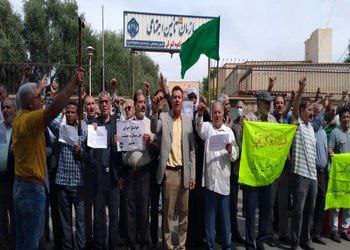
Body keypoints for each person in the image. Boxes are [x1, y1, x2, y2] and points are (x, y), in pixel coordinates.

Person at [12, 68, 84, 250]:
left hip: (20, 186)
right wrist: (72, 84)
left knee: (21, 239)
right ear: (30, 103)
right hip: (32, 189)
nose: (41, 99)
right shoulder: (29, 119)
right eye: (38, 96)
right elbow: (52, 110)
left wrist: (39, 88)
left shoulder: (19, 117)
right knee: (30, 243)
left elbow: (25, 98)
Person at [151, 85, 196, 250]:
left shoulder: (188, 121)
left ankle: (181, 245)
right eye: (174, 97)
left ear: (182, 101)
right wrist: (155, 110)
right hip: (169, 173)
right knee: (168, 215)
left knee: (184, 214)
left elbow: (192, 151)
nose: (177, 100)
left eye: (179, 97)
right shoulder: (163, 117)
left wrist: (192, 176)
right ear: (172, 100)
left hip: (184, 172)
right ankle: (169, 245)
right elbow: (154, 128)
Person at [196, 101, 239, 250]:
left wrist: (230, 150)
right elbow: (199, 129)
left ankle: (227, 246)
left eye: (220, 112)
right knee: (210, 220)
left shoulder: (229, 132)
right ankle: (210, 246)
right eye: (215, 112)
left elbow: (235, 156)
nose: (217, 115)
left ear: (223, 114)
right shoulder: (207, 128)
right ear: (212, 113)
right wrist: (200, 114)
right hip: (209, 182)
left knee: (225, 221)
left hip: (224, 183)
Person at [120, 90, 158, 249]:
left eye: (144, 102)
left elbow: (156, 150)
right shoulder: (126, 125)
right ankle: (131, 243)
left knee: (143, 210)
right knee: (129, 210)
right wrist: (118, 141)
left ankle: (144, 242)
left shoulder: (151, 124)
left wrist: (150, 143)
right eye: (139, 102)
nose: (142, 105)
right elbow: (120, 150)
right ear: (134, 105)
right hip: (129, 172)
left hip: (144, 173)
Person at [49, 101, 87, 250]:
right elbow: (49, 118)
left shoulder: (83, 132)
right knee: (65, 222)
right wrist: (54, 99)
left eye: (73, 112)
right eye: (68, 112)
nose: (70, 115)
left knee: (80, 222)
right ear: (65, 114)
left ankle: (81, 247)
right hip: (63, 182)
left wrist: (80, 153)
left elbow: (87, 158)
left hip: (78, 183)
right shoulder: (60, 130)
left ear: (77, 115)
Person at [243, 90, 277, 250]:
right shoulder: (249, 119)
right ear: (259, 103)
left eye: (270, 102)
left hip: (267, 174)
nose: (270, 105)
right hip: (252, 174)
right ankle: (250, 243)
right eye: (267, 102)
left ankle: (261, 240)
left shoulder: (273, 120)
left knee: (265, 210)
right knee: (250, 211)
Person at [90, 91, 122, 250]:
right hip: (99, 176)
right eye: (100, 102)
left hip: (114, 176)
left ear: (110, 104)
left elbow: (123, 151)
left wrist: (119, 143)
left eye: (106, 102)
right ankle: (99, 245)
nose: (103, 104)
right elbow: (90, 151)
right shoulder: (94, 124)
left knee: (114, 217)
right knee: (99, 216)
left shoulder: (117, 123)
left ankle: (113, 246)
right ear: (98, 104)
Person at [290, 77, 317, 250]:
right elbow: (294, 108)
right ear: (301, 111)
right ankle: (295, 242)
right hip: (300, 173)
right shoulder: (297, 122)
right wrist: (300, 89)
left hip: (312, 175)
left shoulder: (311, 127)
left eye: (312, 110)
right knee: (298, 210)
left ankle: (305, 240)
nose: (311, 112)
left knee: (310, 209)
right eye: (308, 109)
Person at [187, 95, 211, 248]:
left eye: (197, 99)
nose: (195, 102)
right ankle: (190, 237)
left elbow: (205, 127)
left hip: (203, 168)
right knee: (191, 206)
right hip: (191, 167)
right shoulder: (188, 115)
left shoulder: (206, 116)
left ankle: (200, 237)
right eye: (191, 99)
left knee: (202, 206)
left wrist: (203, 111)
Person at [328, 107, 350, 243]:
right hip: (338, 174)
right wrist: (333, 155)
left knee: (348, 203)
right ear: (340, 119)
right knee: (336, 203)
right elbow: (330, 149)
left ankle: (344, 230)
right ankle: (334, 230)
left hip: (349, 175)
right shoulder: (335, 133)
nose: (346, 119)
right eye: (344, 117)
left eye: (348, 117)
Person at [0, 98, 16, 250]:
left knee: (14, 216)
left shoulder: (19, 128)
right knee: (1, 217)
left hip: (15, 180)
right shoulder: (0, 129)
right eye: (3, 107)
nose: (5, 110)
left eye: (8, 107)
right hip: (1, 180)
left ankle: (13, 245)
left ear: (15, 110)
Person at [231, 99, 246, 245]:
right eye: (238, 107)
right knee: (234, 203)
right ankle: (234, 231)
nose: (239, 109)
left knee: (248, 205)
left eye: (241, 107)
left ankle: (248, 235)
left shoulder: (249, 124)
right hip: (235, 168)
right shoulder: (233, 124)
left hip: (247, 169)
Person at [82, 95, 97, 249]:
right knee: (87, 208)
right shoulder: (81, 124)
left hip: (99, 172)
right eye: (88, 104)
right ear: (85, 107)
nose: (91, 106)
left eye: (93, 103)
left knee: (99, 208)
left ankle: (98, 236)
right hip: (86, 171)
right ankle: (88, 238)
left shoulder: (101, 123)